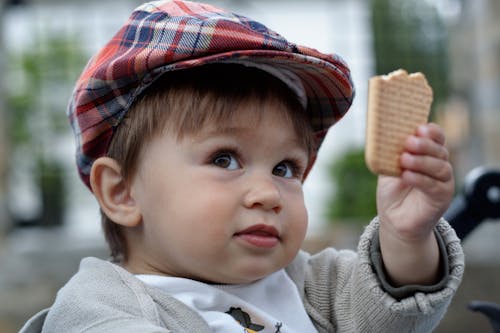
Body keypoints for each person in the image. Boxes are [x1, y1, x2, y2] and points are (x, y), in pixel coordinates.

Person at [20, 1, 464, 332]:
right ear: (122, 192)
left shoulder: (309, 284)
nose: (268, 194)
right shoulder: (103, 311)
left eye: (285, 168)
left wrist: (406, 236)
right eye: (224, 159)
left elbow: (389, 314)